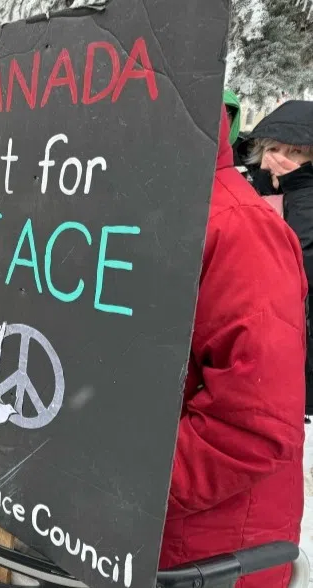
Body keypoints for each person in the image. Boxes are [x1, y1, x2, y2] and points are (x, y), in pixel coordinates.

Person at [159, 109, 306, 588]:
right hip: (161, 537)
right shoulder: (147, 201)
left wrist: (122, 481)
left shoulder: (236, 225)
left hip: (209, 551)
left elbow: (252, 427)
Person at [244, 101, 313, 418]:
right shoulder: (247, 190)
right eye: (276, 148)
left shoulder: (304, 198)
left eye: (297, 153)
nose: (285, 160)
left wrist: (299, 188)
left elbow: (300, 260)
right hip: (251, 344)